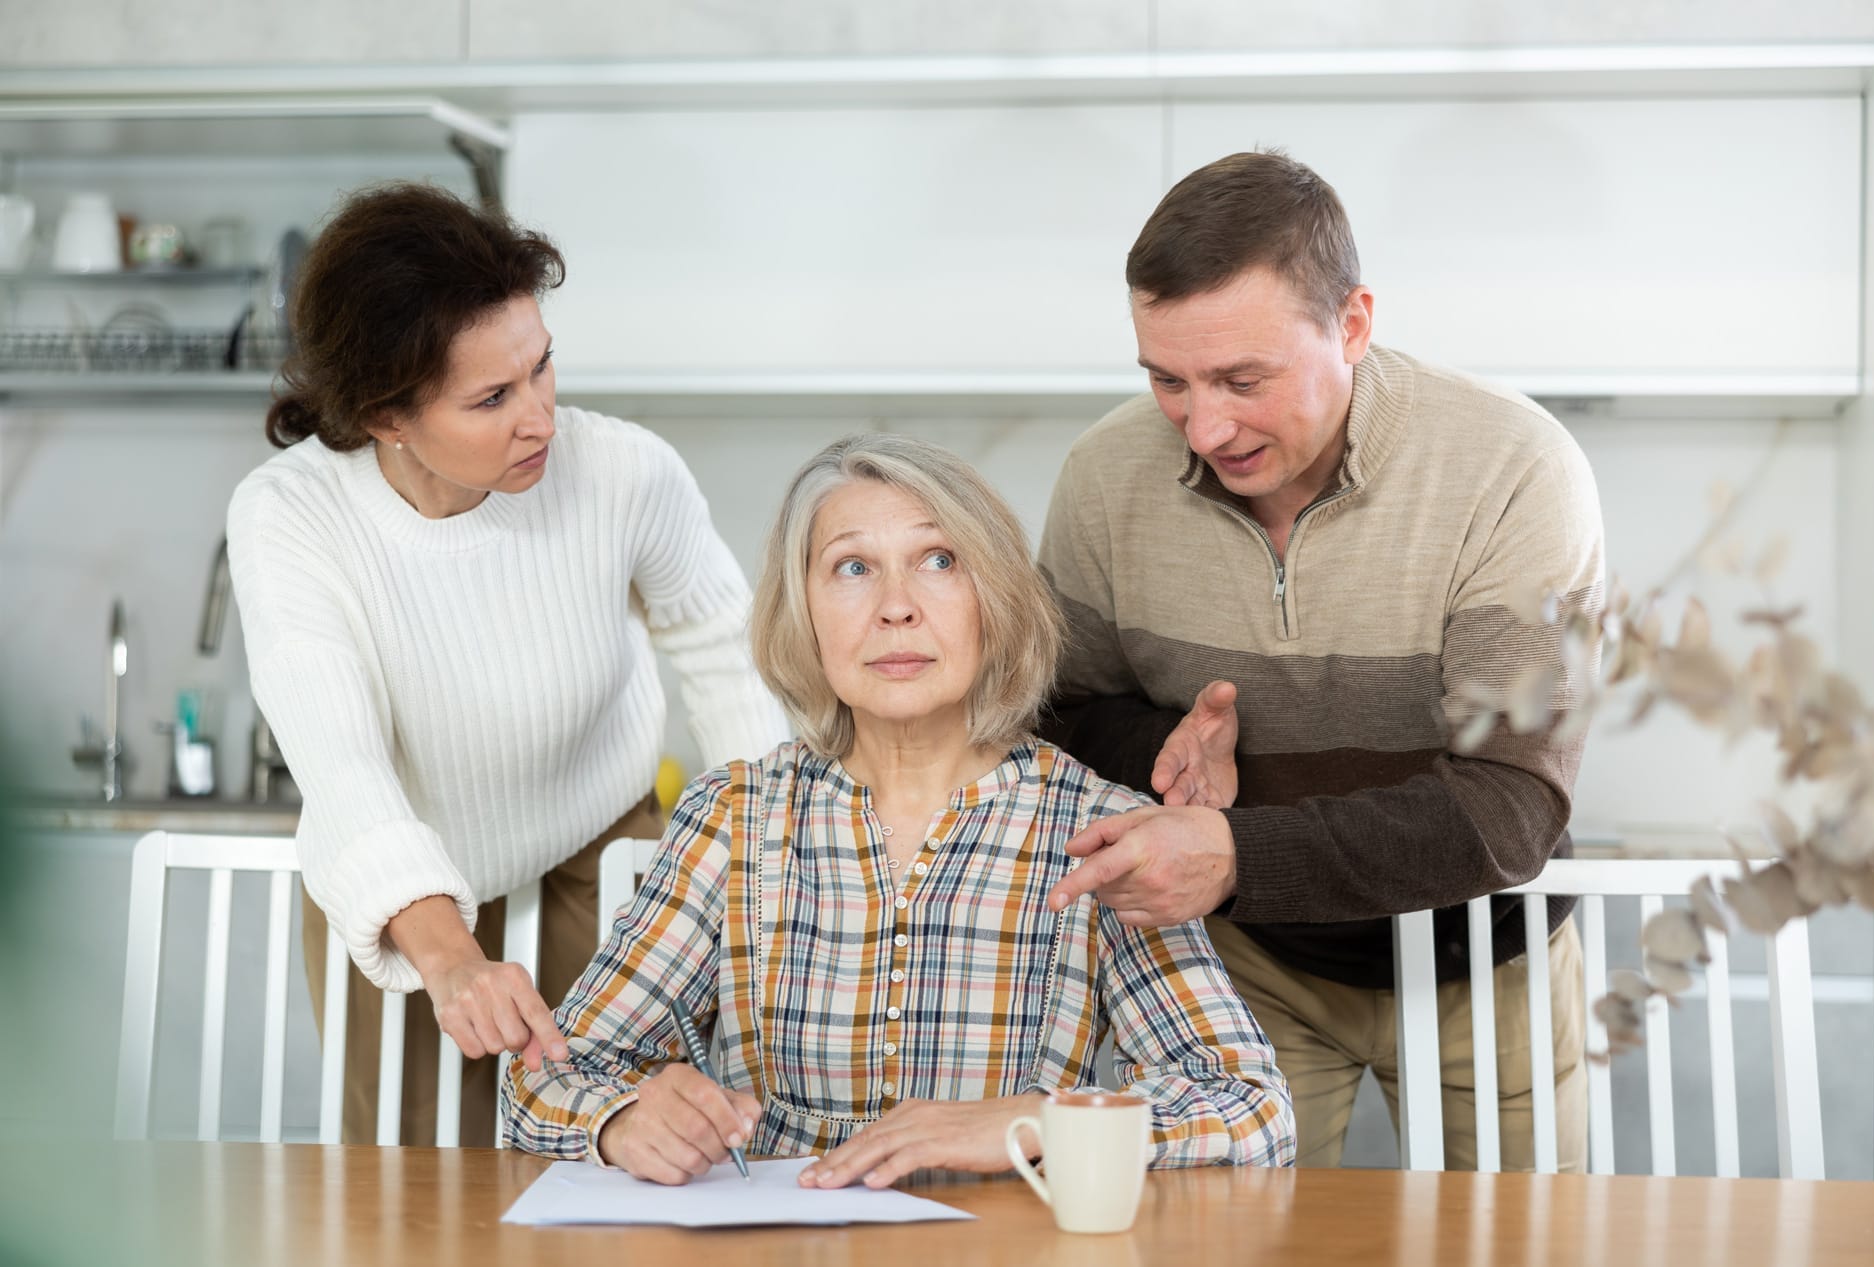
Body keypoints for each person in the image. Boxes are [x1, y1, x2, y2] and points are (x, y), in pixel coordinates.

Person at [502, 434, 1295, 1183]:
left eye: (939, 560)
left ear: (996, 597)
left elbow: (1250, 1105)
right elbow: (544, 1082)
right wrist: (622, 1117)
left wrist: (1042, 1122)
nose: (896, 606)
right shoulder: (732, 816)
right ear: (803, 611)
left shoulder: (1102, 829)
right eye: (852, 567)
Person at [1038, 150, 1604, 1171]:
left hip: (1484, 957)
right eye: (1167, 379)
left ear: (1351, 325)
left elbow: (1509, 803)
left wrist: (1235, 852)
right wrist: (1157, 742)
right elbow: (1058, 714)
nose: (1204, 426)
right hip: (1244, 965)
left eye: (1242, 379)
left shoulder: (1511, 469)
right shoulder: (1102, 479)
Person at [226, 182, 788, 1145]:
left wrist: (772, 857)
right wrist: (447, 957)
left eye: (542, 369)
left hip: (598, 850)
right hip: (395, 881)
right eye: (492, 398)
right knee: (400, 1189)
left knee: (627, 1157)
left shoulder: (624, 471)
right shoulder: (291, 516)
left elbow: (725, 652)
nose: (541, 419)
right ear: (386, 417)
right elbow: (341, 763)